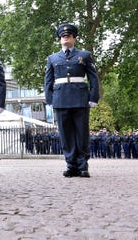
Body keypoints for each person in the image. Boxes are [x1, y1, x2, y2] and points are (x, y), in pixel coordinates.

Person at [44, 23, 100, 178]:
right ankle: (71, 165)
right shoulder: (52, 58)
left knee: (82, 134)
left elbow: (93, 79)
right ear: (59, 39)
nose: (65, 38)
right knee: (66, 134)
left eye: (68, 36)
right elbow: (48, 81)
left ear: (74, 38)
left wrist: (93, 97)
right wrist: (50, 100)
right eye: (63, 36)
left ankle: (83, 166)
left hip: (80, 98)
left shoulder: (85, 55)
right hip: (60, 99)